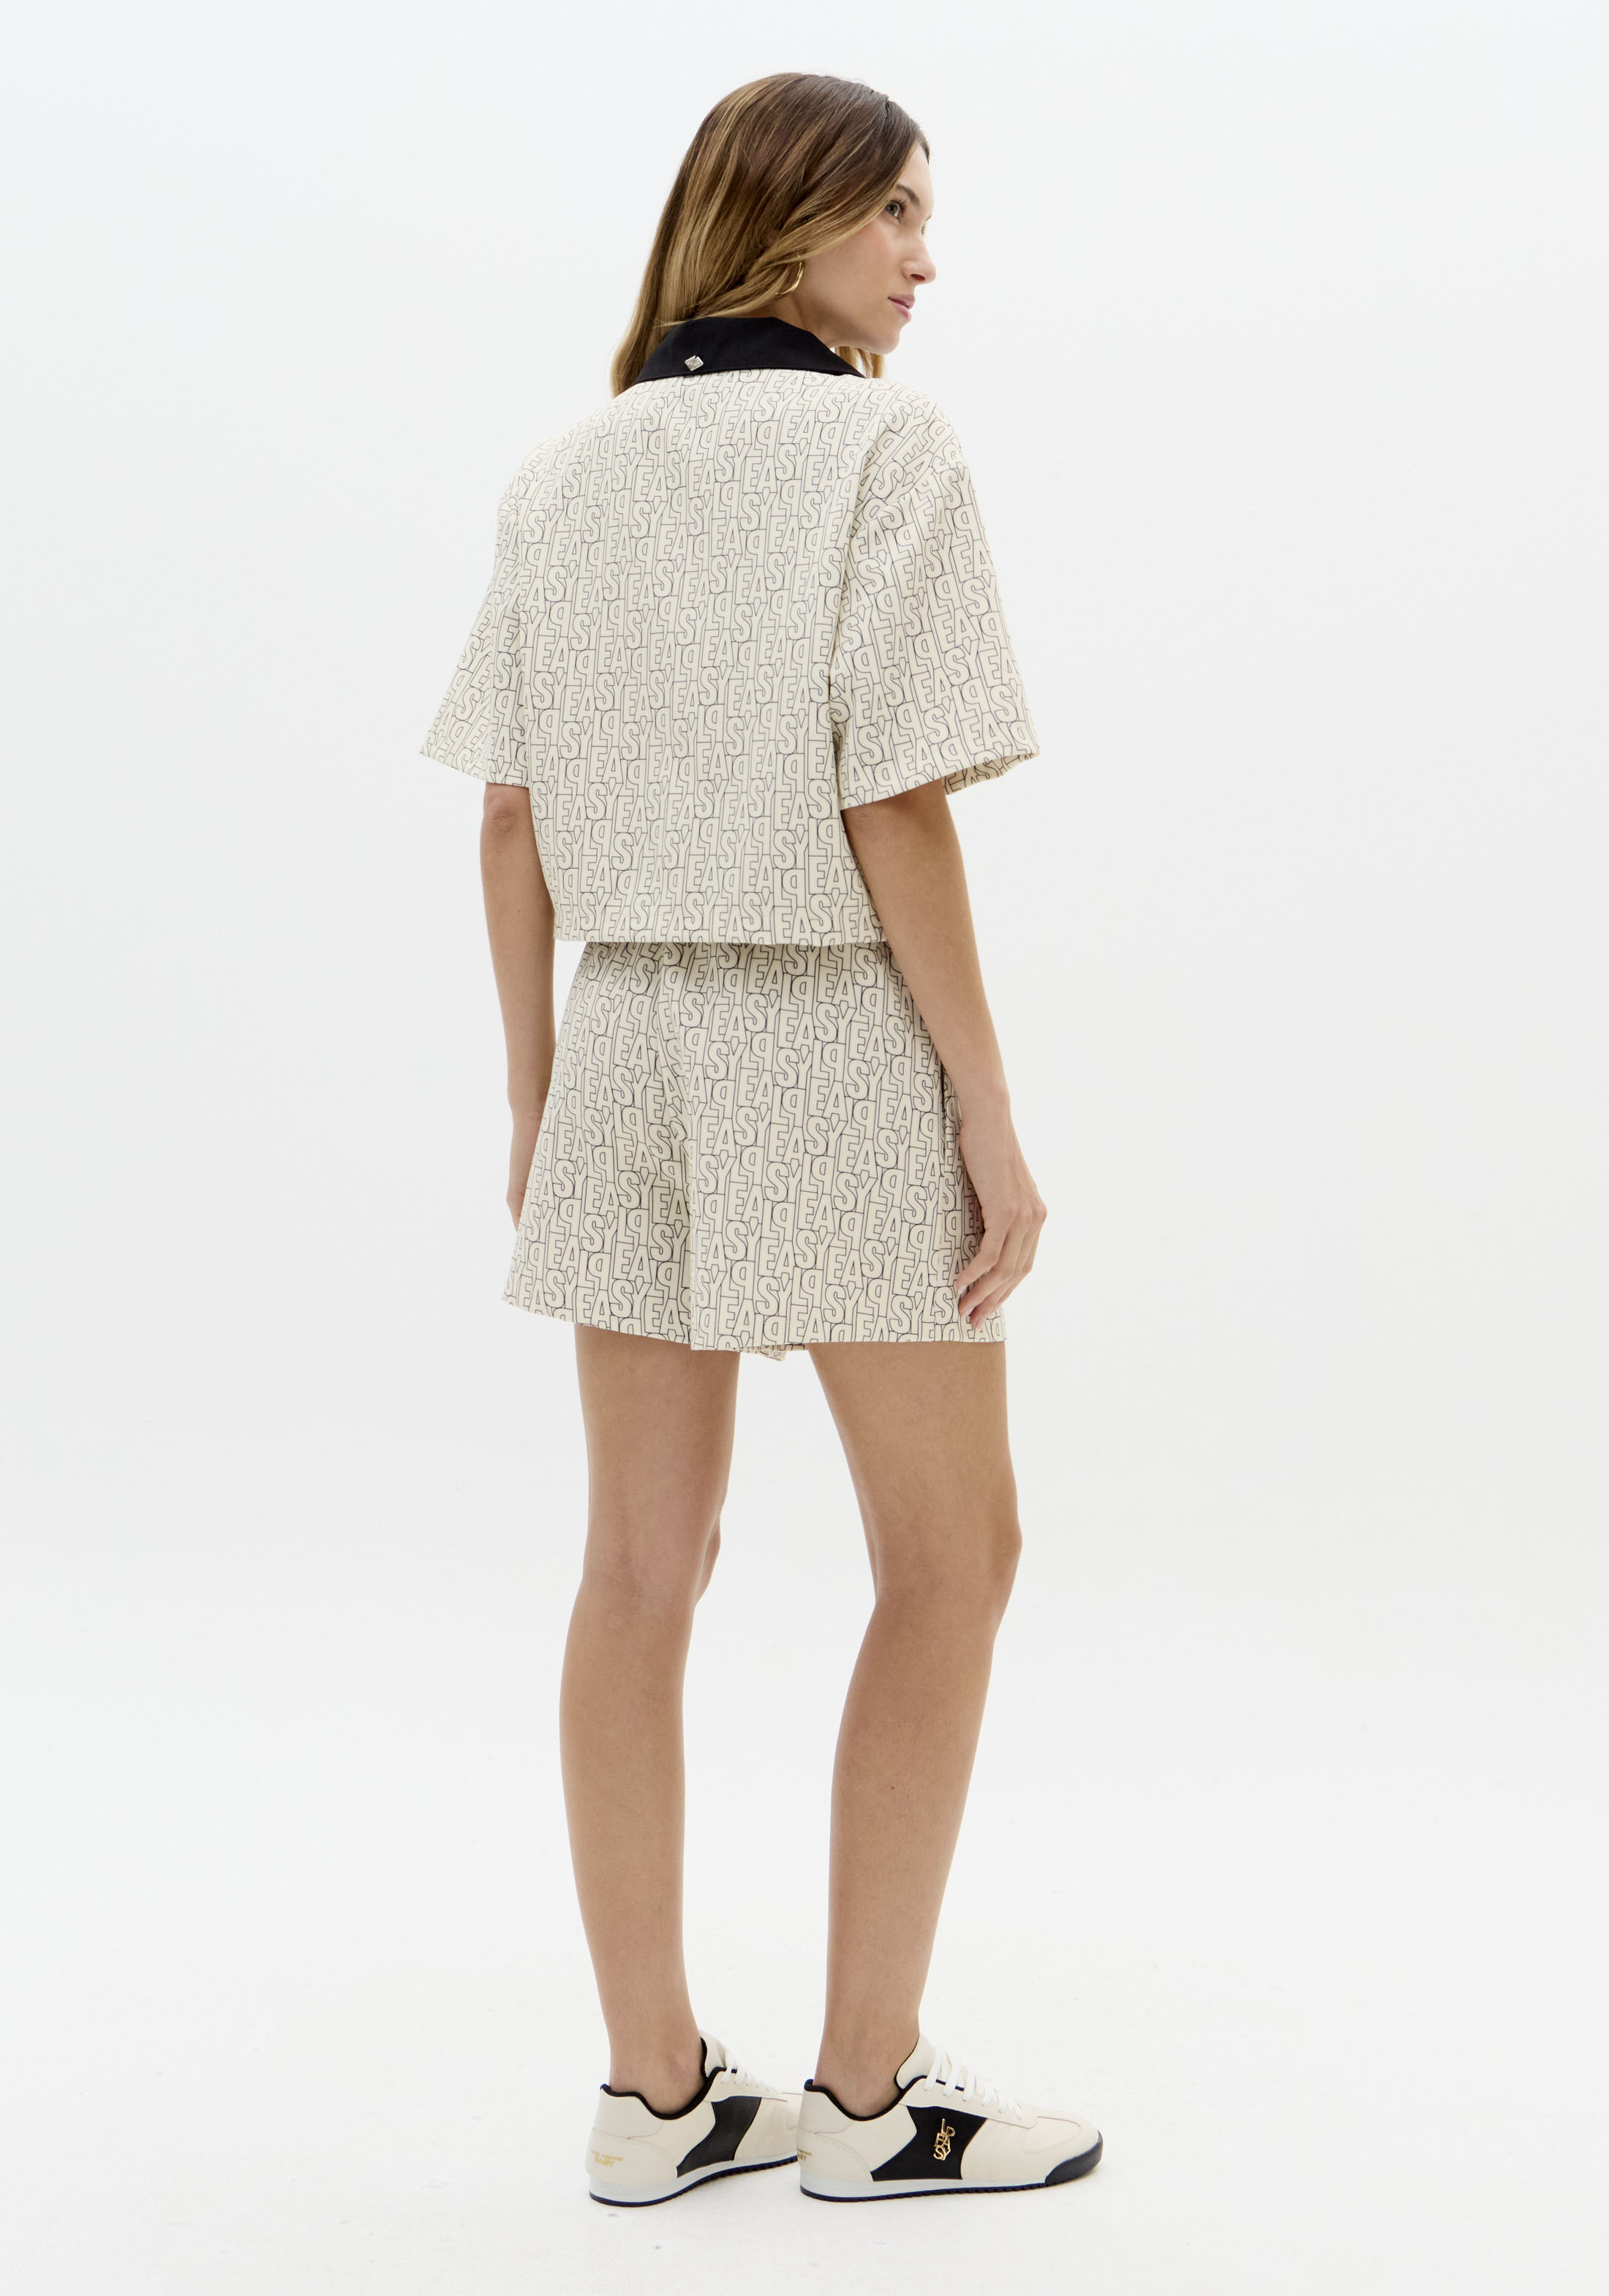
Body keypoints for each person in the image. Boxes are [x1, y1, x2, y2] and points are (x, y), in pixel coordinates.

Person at [418, 71, 1103, 2205]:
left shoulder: (566, 469)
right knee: (953, 1557)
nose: (926, 259)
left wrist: (535, 1086)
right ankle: (872, 2095)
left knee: (640, 1565)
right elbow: (893, 797)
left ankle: (654, 2097)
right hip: (831, 1035)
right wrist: (987, 1101)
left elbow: (511, 815)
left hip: (629, 1037)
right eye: (894, 212)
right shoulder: (890, 450)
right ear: (787, 220)